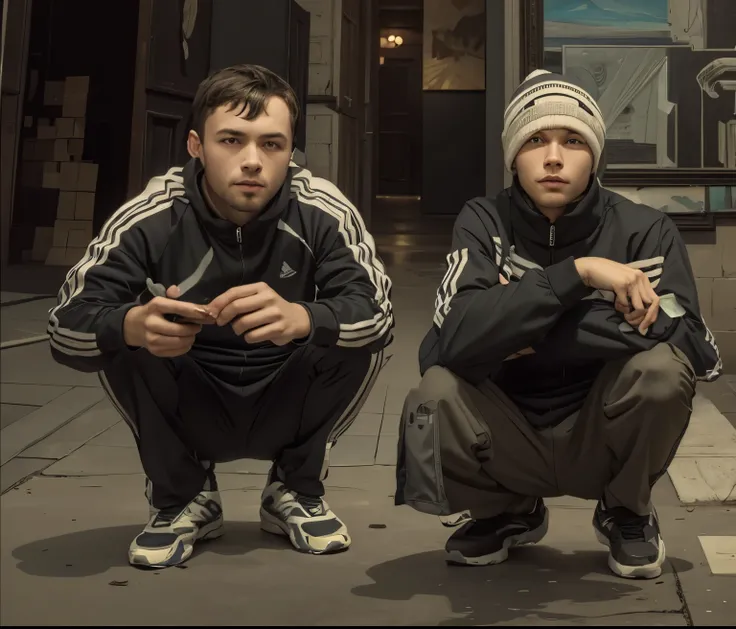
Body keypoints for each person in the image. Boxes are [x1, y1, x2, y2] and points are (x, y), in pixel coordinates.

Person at [47, 64, 394, 568]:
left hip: (284, 390)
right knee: (123, 332)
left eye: (272, 145)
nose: (253, 161)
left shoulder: (320, 207)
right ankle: (184, 497)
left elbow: (377, 313)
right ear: (195, 146)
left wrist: (304, 316)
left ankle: (294, 489)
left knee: (351, 333)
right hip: (189, 391)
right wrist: (133, 326)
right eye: (232, 140)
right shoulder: (152, 212)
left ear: (291, 150)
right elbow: (65, 326)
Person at [395, 69, 722, 580]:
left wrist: (518, 321)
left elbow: (697, 348)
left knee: (662, 373)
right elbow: (447, 343)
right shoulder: (483, 221)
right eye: (534, 140)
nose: (553, 157)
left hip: (599, 430)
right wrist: (581, 275)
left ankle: (626, 510)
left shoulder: (644, 230)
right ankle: (505, 511)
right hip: (507, 431)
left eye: (572, 140)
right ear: (513, 156)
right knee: (434, 393)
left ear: (593, 154)